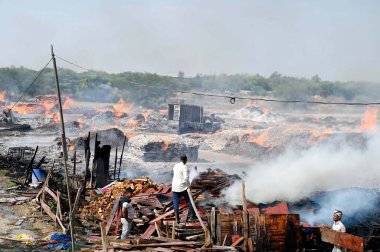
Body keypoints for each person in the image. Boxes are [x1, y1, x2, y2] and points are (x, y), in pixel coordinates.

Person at [172, 155, 196, 224]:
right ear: (185, 160)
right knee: (190, 200)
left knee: (175, 202)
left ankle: (177, 219)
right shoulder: (184, 167)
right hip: (182, 187)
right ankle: (192, 217)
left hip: (175, 186)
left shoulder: (175, 166)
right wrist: (189, 186)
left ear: (180, 159)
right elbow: (186, 178)